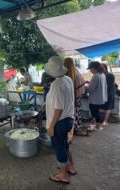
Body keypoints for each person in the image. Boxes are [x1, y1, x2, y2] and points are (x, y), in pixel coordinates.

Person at [45, 56, 76, 184]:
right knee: (65, 146)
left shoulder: (56, 85)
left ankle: (63, 175)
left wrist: (51, 127)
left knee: (59, 148)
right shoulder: (67, 79)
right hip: (69, 119)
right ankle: (71, 167)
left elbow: (58, 108)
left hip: (60, 122)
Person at [64, 58, 89, 136]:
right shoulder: (76, 72)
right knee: (77, 113)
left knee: (69, 114)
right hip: (76, 97)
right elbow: (82, 86)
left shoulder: (65, 74)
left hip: (67, 98)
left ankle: (70, 130)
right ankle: (77, 129)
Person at [86, 61, 107, 129]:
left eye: (90, 69)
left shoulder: (96, 76)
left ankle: (97, 125)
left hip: (95, 98)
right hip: (101, 97)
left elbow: (91, 89)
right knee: (96, 111)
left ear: (94, 68)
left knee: (93, 110)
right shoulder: (102, 74)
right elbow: (99, 84)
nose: (90, 71)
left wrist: (86, 87)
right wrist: (90, 82)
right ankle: (96, 124)